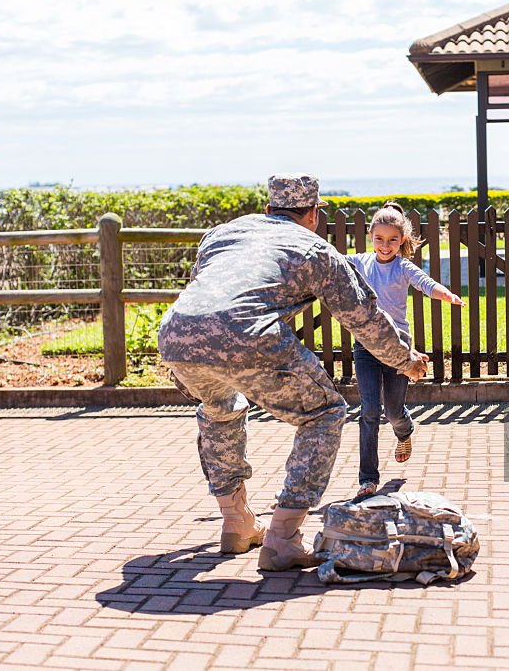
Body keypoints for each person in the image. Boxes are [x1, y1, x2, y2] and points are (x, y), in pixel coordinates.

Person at [158, 173, 428, 571]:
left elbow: (207, 288)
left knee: (220, 408)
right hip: (247, 332)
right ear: (314, 214)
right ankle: (282, 539)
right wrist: (405, 360)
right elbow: (364, 318)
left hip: (177, 334)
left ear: (268, 210)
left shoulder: (221, 233)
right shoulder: (316, 249)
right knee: (324, 414)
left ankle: (236, 523)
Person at [345, 202, 465, 498]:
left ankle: (405, 431)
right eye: (379, 239)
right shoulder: (359, 262)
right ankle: (367, 479)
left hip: (399, 350)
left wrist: (446, 295)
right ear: (370, 236)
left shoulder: (402, 267)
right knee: (370, 410)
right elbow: (328, 262)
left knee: (393, 411)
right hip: (366, 346)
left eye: (393, 240)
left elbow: (426, 284)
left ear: (402, 240)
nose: (385, 246)